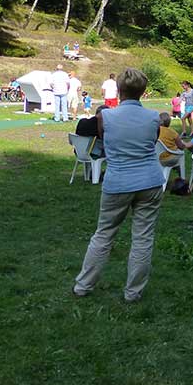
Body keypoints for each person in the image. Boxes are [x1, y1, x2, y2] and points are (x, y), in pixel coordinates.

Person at [73, 68, 165, 302]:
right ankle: (133, 292)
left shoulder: (106, 116)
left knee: (104, 235)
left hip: (118, 182)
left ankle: (83, 286)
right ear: (143, 91)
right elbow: (152, 140)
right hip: (150, 181)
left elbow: (105, 140)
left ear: (119, 90)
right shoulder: (154, 116)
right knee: (143, 237)